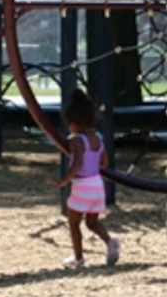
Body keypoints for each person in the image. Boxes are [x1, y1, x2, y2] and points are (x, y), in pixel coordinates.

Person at [47, 88, 120, 268]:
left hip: (82, 185)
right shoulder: (97, 138)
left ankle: (78, 258)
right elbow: (104, 161)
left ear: (73, 122)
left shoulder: (76, 140)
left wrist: (64, 180)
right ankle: (110, 242)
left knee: (74, 224)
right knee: (93, 222)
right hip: (97, 185)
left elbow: (77, 164)